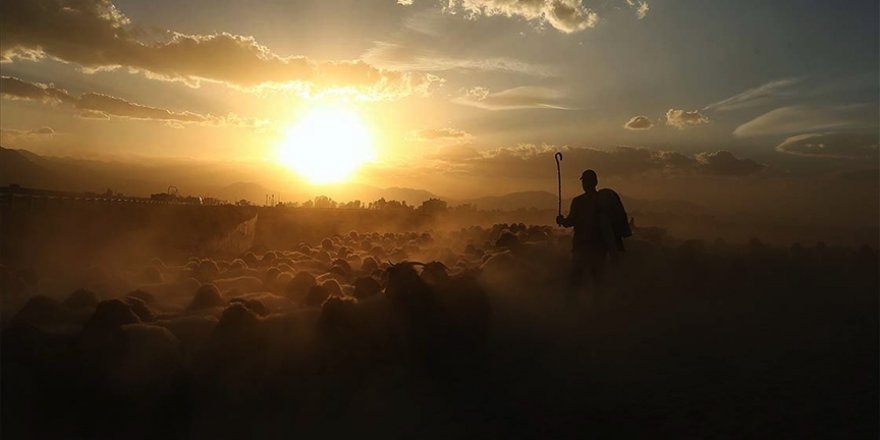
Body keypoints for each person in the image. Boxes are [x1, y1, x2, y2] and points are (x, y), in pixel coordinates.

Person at [556, 169, 629, 296]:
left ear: (593, 182)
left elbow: (570, 222)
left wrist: (562, 221)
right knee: (596, 280)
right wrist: (563, 221)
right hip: (596, 247)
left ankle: (573, 303)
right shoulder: (600, 202)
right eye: (584, 181)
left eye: (586, 181)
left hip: (585, 247)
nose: (585, 184)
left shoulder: (580, 201)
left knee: (578, 280)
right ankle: (595, 303)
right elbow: (571, 222)